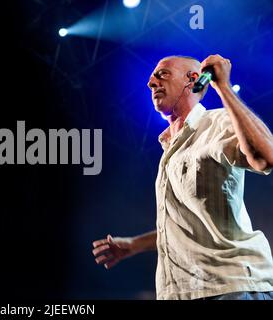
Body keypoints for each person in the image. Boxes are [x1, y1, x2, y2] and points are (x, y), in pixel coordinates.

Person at [92, 55, 273, 300]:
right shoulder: (169, 149)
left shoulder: (218, 122)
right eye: (151, 79)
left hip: (230, 288)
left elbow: (267, 157)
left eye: (162, 74)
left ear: (193, 79)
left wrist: (223, 87)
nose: (151, 83)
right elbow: (187, 224)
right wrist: (134, 245)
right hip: (181, 293)